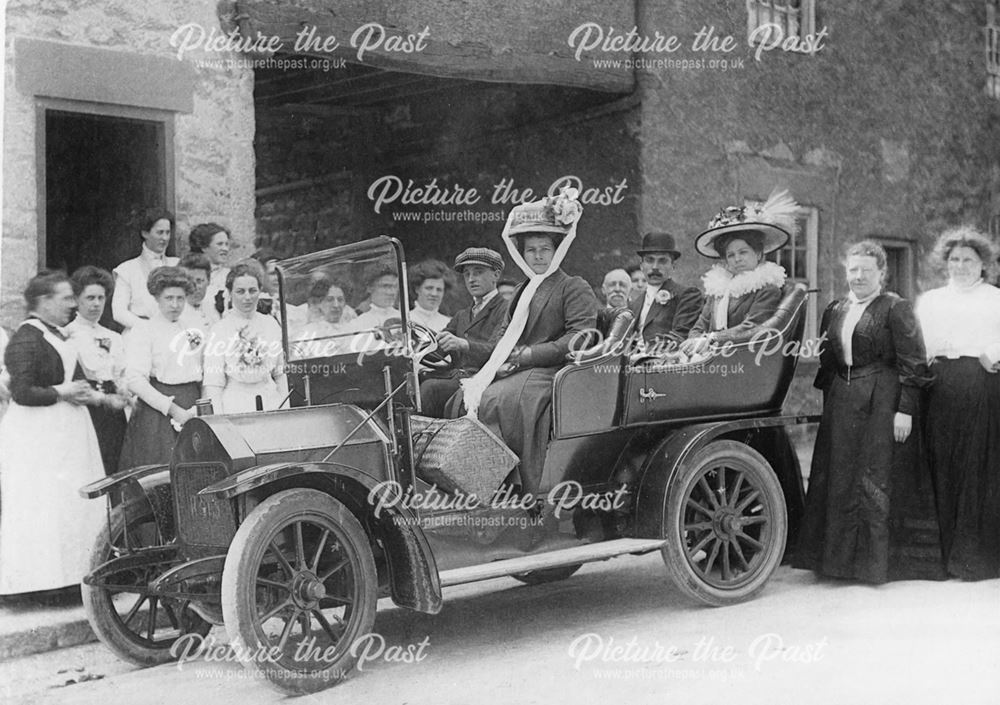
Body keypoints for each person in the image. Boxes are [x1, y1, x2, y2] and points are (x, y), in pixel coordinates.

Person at [794, 240, 942, 583]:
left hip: (882, 399)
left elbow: (913, 362)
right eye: (853, 269)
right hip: (843, 400)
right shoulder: (836, 309)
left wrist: (904, 410)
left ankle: (873, 566)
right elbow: (828, 359)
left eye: (866, 270)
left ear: (881, 273)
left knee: (873, 476)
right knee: (839, 476)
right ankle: (837, 563)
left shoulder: (895, 308)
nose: (858, 276)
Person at [467, 191, 598, 495]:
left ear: (558, 251)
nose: (537, 256)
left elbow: (579, 339)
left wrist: (527, 354)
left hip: (556, 371)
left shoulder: (572, 286)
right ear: (522, 255)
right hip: (522, 367)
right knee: (466, 393)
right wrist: (500, 362)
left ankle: (523, 489)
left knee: (501, 399)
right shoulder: (524, 289)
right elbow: (502, 333)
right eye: (531, 251)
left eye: (544, 249)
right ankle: (477, 483)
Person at [0, 271, 106, 595]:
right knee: (44, 504)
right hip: (37, 436)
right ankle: (40, 584)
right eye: (65, 299)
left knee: (69, 504)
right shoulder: (26, 338)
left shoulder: (58, 333)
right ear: (43, 302)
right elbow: (22, 392)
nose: (72, 305)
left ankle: (74, 579)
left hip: (64, 433)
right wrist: (63, 391)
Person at [916, 227, 1000, 580]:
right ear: (945, 263)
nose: (961, 266)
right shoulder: (931, 300)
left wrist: (994, 354)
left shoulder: (994, 297)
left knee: (976, 466)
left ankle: (973, 558)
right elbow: (916, 342)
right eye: (954, 259)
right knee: (942, 464)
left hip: (981, 383)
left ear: (983, 264)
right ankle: (942, 556)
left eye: (969, 260)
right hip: (939, 385)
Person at [680, 193, 797, 356]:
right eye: (731, 255)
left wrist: (712, 338)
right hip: (712, 359)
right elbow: (700, 326)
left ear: (758, 253)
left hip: (748, 358)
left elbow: (753, 326)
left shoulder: (767, 288)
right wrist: (694, 341)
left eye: (743, 252)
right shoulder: (719, 291)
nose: (737, 259)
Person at [118, 267, 204, 470]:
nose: (175, 305)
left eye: (180, 298)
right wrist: (173, 410)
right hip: (158, 411)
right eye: (169, 298)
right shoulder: (144, 329)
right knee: (159, 472)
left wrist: (196, 408)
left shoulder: (191, 327)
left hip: (192, 403)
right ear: (157, 297)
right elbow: (135, 380)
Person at [420, 248, 508, 417]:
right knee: (411, 382)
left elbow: (499, 350)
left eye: (478, 272)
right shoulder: (462, 315)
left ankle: (423, 440)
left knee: (430, 389)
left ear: (496, 275)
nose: (471, 279)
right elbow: (436, 349)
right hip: (458, 379)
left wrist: (463, 344)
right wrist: (412, 344)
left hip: (483, 380)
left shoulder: (506, 309)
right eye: (467, 274)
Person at [66, 266, 129, 476]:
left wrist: (124, 393)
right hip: (86, 405)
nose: (96, 304)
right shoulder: (68, 334)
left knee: (114, 463)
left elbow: (120, 374)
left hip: (114, 409)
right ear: (76, 300)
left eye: (101, 298)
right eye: (89, 298)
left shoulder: (114, 336)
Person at [203, 260, 288, 414]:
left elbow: (280, 373)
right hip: (236, 405)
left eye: (252, 290)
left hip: (271, 402)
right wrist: (220, 422)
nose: (247, 297)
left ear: (260, 291)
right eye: (240, 291)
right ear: (229, 293)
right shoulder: (220, 330)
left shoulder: (270, 324)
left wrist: (285, 409)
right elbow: (213, 383)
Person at [629, 232, 702, 350]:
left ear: (673, 265)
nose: (655, 267)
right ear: (642, 265)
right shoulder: (634, 305)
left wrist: (643, 354)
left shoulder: (687, 295)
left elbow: (681, 335)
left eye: (662, 261)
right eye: (649, 260)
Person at [111, 208, 179, 330]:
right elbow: (119, 312)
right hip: (140, 334)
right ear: (145, 233)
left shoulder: (178, 265)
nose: (165, 238)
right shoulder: (127, 270)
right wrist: (148, 328)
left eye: (167, 233)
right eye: (160, 232)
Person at [289, 276, 353, 359]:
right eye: (329, 300)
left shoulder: (352, 328)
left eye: (340, 300)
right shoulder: (306, 333)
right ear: (318, 302)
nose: (336, 305)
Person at [189, 223, 232, 318]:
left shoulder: (230, 275)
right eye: (220, 244)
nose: (225, 249)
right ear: (204, 247)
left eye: (227, 244)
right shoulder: (189, 273)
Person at [179, 252, 221, 330]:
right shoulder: (177, 313)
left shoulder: (212, 307)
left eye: (199, 281)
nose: (194, 287)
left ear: (208, 281)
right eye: (189, 281)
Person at [408, 259, 453, 331]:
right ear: (417, 289)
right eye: (429, 288)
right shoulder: (405, 320)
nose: (434, 294)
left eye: (439, 290)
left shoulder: (449, 323)